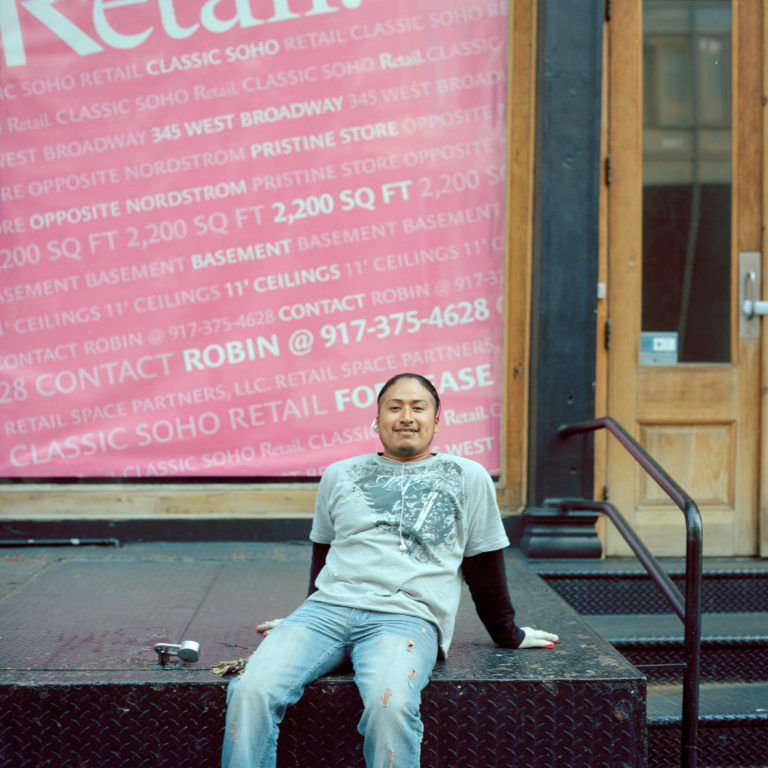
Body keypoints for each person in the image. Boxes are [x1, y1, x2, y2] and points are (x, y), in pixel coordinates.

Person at [221, 372, 559, 768]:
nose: (406, 417)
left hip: (406, 620)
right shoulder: (340, 474)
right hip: (324, 613)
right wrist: (302, 615)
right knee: (250, 691)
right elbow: (325, 554)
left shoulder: (468, 477)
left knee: (391, 705)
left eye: (418, 407)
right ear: (377, 419)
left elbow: (483, 565)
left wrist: (508, 634)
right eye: (394, 407)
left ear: (437, 420)